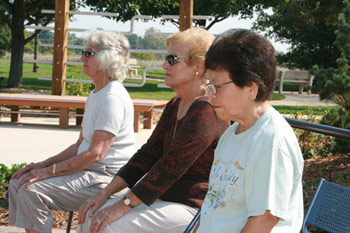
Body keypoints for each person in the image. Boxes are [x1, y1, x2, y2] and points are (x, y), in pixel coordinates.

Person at [77, 27, 230, 233]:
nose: (164, 65)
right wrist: (104, 194)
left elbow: (168, 169)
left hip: (192, 208)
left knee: (108, 225)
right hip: (163, 199)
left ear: (198, 67)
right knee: (92, 214)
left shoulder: (206, 111)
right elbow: (148, 154)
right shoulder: (176, 103)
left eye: (172, 59)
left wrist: (123, 205)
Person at [8, 29, 136, 233]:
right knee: (19, 181)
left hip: (104, 177)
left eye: (88, 53)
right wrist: (40, 166)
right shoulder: (97, 94)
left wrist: (46, 173)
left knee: (30, 189)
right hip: (88, 171)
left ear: (107, 59)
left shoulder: (112, 98)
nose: (82, 58)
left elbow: (95, 154)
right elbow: (80, 145)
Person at [195, 29, 304, 233]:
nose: (210, 96)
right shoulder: (232, 132)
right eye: (209, 86)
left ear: (251, 88)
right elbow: (212, 208)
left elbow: (264, 220)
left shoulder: (272, 141)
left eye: (217, 87)